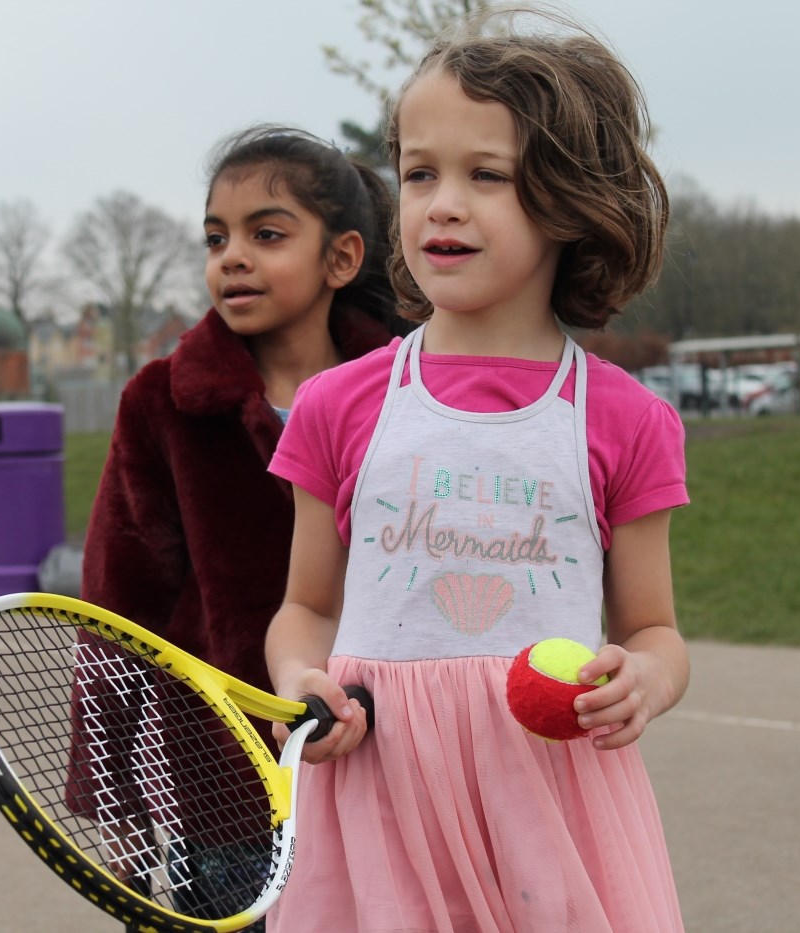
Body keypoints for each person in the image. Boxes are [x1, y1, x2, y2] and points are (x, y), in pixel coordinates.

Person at [263, 8, 690, 931]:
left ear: (572, 203)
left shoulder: (626, 418)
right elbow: (305, 608)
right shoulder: (340, 404)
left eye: (485, 175)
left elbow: (656, 629)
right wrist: (301, 680)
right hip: (378, 802)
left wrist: (644, 681)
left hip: (552, 809)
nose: (440, 203)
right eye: (419, 173)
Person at [77, 124, 407, 931]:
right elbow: (121, 600)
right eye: (216, 237)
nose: (232, 257)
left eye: (267, 233)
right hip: (223, 784)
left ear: (342, 259)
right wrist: (115, 791)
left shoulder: (416, 388)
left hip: (397, 763)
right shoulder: (160, 401)